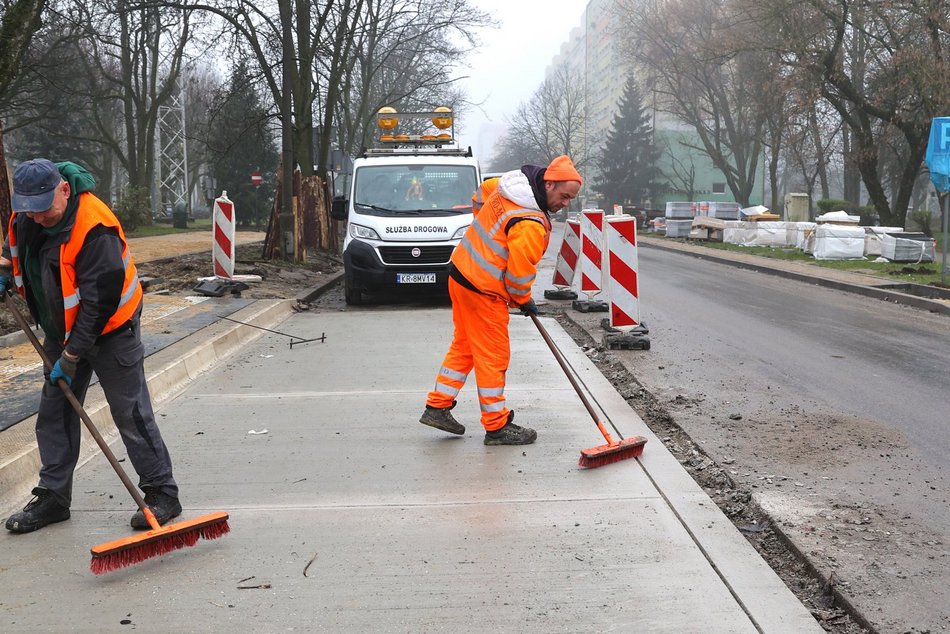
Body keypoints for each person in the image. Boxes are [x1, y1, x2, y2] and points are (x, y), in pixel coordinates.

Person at [0, 158, 181, 534]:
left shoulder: (95, 229)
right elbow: (13, 244)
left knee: (129, 411)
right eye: (28, 211)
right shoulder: (28, 214)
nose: (36, 218)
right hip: (60, 328)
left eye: (44, 209)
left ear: (64, 190)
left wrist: (70, 356)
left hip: (112, 328)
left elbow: (98, 305)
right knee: (55, 411)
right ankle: (53, 497)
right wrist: (4, 271)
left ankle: (162, 492)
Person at [419, 155, 582, 445]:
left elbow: (482, 192)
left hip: (460, 273)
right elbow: (518, 279)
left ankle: (438, 406)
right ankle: (496, 426)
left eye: (570, 198)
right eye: (564, 195)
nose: (565, 203)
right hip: (483, 290)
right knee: (493, 355)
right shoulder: (529, 223)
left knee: (466, 345)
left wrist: (480, 223)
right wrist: (524, 300)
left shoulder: (508, 185)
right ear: (548, 183)